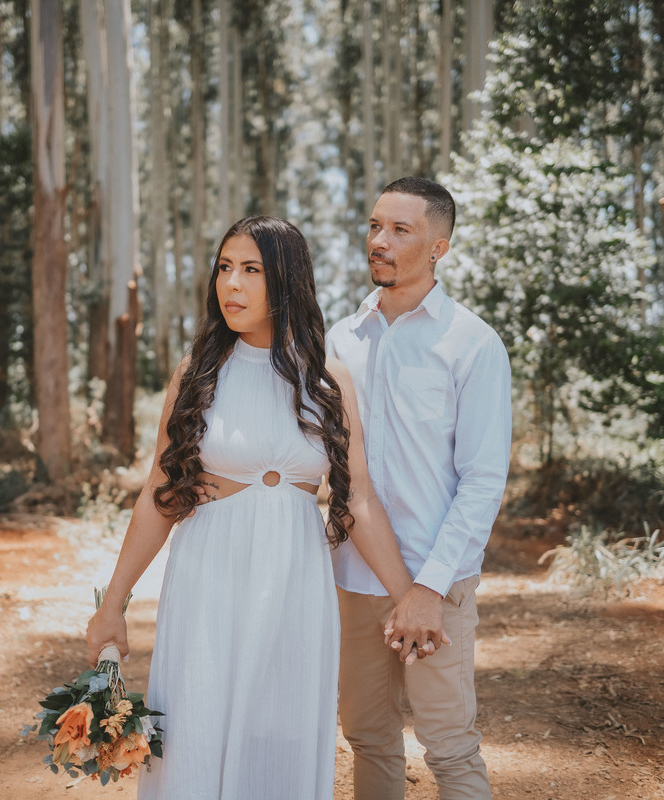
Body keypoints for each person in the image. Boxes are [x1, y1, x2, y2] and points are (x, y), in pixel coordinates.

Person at [86, 215, 429, 800]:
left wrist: (408, 595)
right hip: (207, 578)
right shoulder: (198, 373)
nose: (232, 284)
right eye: (224, 268)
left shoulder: (327, 380)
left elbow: (358, 499)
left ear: (286, 281)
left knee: (280, 735)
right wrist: (112, 603)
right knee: (195, 728)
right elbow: (159, 492)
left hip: (295, 583)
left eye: (251, 270)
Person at [327, 177, 512, 800]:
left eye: (400, 230)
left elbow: (482, 481)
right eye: (375, 225)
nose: (379, 241)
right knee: (367, 737)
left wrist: (428, 589)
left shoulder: (472, 343)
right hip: (355, 577)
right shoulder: (340, 340)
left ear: (439, 248)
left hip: (439, 583)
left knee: (451, 748)